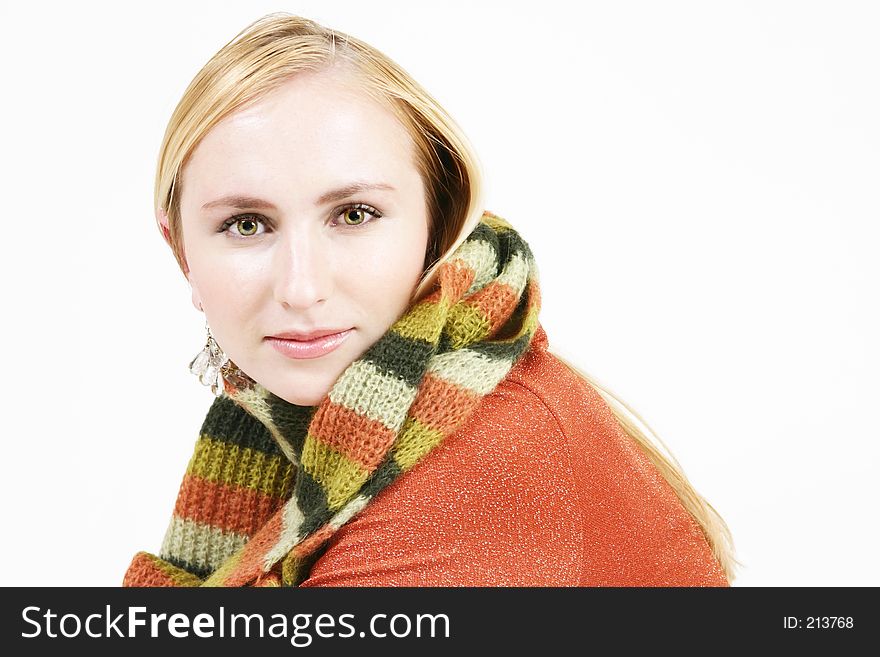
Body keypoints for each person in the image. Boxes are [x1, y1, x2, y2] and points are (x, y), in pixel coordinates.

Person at [123, 12, 737, 587]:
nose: (301, 288)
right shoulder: (311, 429)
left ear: (436, 224)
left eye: (355, 214)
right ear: (179, 250)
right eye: (247, 225)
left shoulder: (478, 479)